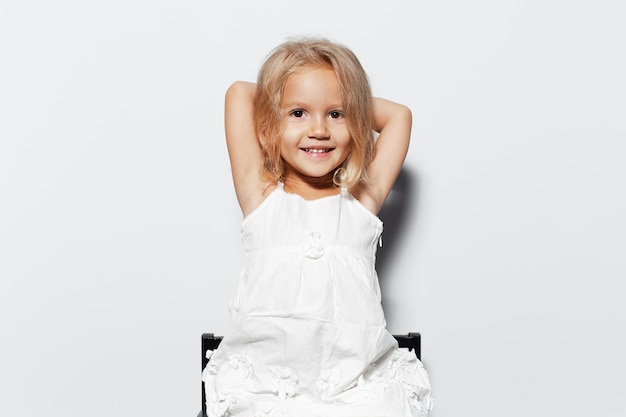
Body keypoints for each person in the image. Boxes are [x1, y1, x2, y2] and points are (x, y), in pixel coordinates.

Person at [202, 38, 433, 417]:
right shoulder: (260, 196)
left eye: (337, 114)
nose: (319, 130)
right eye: (298, 113)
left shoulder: (361, 201)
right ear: (268, 125)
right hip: (268, 388)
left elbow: (400, 116)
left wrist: (342, 96)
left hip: (354, 387)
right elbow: (239, 93)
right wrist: (288, 90)